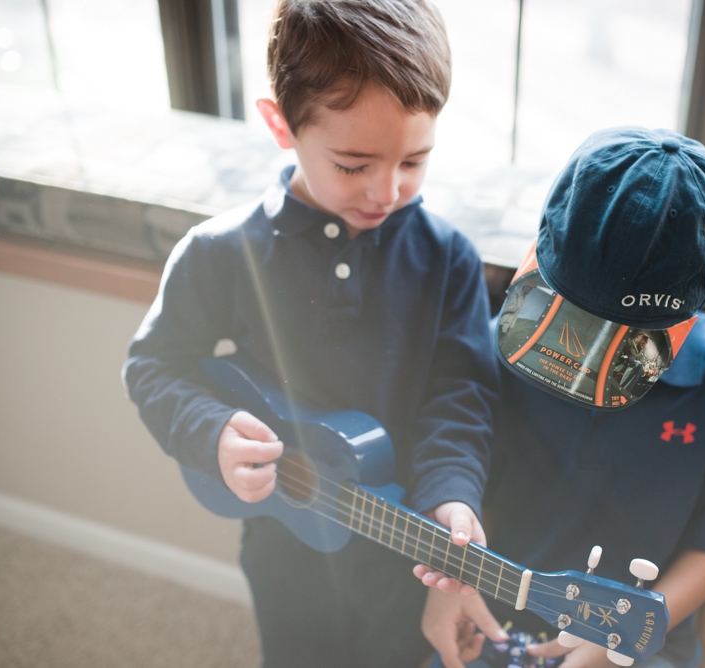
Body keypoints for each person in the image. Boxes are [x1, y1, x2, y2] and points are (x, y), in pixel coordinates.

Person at [122, 2, 498, 666]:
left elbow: (461, 398)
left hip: (400, 552)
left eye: (414, 160)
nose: (387, 190)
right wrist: (208, 429)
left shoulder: (450, 260)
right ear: (279, 124)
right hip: (283, 545)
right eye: (354, 164)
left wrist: (452, 493)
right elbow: (154, 365)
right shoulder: (221, 253)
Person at [414, 126, 705, 668]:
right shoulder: (508, 338)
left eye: (621, 342)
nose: (585, 354)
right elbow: (468, 464)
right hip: (493, 618)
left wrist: (618, 639)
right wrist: (452, 579)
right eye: (572, 323)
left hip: (645, 641)